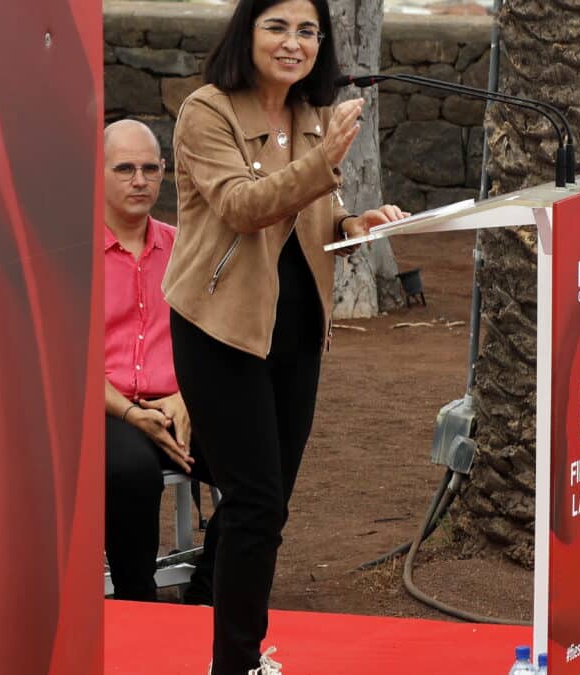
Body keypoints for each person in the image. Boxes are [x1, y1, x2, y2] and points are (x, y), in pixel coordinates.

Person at [161, 1, 409, 673]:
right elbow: (244, 207)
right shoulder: (208, 111)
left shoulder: (308, 113)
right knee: (255, 500)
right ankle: (236, 661)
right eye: (278, 26)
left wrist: (360, 226)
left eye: (307, 31)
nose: (293, 43)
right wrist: (325, 159)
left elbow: (313, 217)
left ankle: (226, 627)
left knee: (265, 508)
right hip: (221, 329)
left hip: (296, 330)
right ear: (248, 32)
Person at [103, 119, 219, 605]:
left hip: (179, 403)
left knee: (258, 467)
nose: (139, 180)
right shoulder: (70, 254)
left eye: (150, 168)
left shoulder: (185, 247)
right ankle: (137, 603)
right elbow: (62, 361)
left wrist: (188, 395)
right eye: (125, 168)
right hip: (105, 408)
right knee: (130, 472)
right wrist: (131, 414)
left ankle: (209, 593)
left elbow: (216, 334)